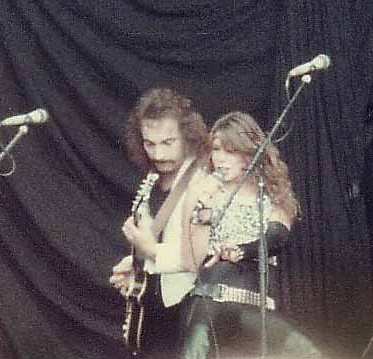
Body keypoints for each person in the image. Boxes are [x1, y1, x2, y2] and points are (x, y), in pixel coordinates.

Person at [175, 111, 323, 358]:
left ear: (249, 153)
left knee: (308, 352)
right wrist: (203, 211)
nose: (220, 159)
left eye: (230, 151)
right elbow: (192, 261)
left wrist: (241, 250)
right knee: (197, 343)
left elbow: (277, 238)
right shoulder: (201, 193)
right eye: (216, 149)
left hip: (254, 305)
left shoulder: (273, 194)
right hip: (210, 301)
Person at [108, 87, 210, 358]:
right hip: (153, 309)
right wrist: (137, 264)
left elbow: (200, 257)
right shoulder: (151, 181)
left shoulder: (203, 181)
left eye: (168, 142)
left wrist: (150, 250)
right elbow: (157, 242)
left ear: (187, 137)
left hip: (190, 306)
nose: (158, 154)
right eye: (149, 143)